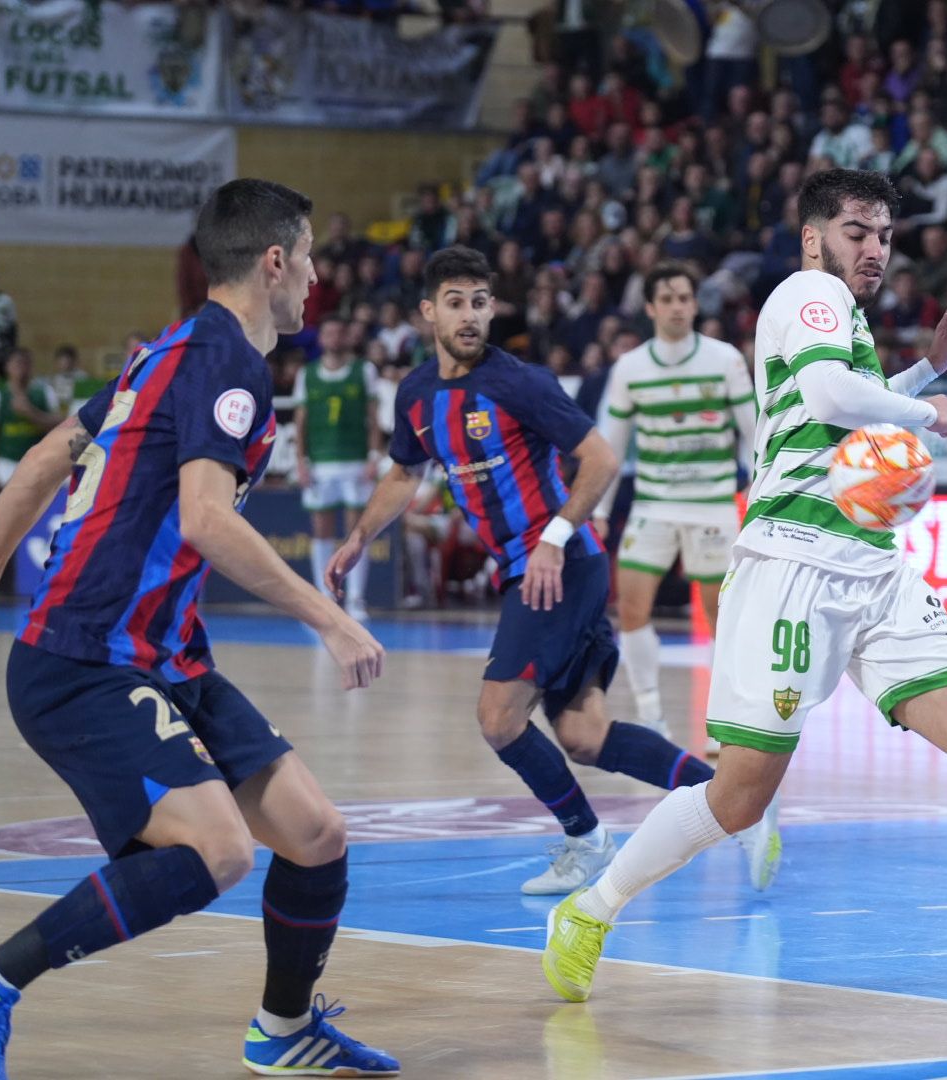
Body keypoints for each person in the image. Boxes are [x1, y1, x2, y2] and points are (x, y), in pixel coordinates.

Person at [541, 168, 947, 1006]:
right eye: (859, 231)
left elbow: (837, 405)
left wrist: (924, 374)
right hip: (795, 568)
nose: (876, 249)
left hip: (876, 566)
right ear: (816, 236)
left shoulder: (841, 314)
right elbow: (827, 392)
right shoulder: (805, 291)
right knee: (741, 796)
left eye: (886, 236)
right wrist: (928, 416)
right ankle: (593, 909)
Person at [0, 179, 397, 1078]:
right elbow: (206, 523)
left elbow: (41, 461)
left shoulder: (166, 354)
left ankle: (283, 1029)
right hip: (83, 659)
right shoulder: (228, 364)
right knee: (215, 851)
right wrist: (331, 619)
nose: (314, 278)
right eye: (306, 259)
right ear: (273, 262)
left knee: (315, 834)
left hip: (162, 655)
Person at [325, 247, 778, 896]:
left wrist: (555, 539)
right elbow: (403, 472)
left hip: (561, 568)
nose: (471, 315)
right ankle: (737, 801)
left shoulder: (519, 382)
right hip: (529, 572)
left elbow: (599, 460)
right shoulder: (417, 395)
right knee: (584, 736)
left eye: (481, 301)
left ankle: (585, 839)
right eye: (456, 302)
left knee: (498, 718)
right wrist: (359, 537)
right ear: (428, 313)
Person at [593, 262, 757, 738]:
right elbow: (612, 445)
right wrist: (600, 512)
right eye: (667, 298)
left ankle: (721, 721)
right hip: (652, 506)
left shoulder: (724, 359)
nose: (677, 306)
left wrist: (754, 490)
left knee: (720, 618)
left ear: (694, 303)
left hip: (712, 506)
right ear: (649, 307)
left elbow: (754, 433)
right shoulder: (630, 367)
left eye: (685, 298)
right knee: (630, 608)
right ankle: (651, 717)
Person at [295, 315, 382, 621]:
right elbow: (301, 421)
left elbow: (373, 417)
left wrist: (374, 456)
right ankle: (324, 596)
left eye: (338, 332)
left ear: (346, 337)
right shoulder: (307, 374)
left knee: (357, 533)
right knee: (321, 531)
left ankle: (356, 598)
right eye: (327, 332)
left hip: (356, 461)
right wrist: (301, 462)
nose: (333, 338)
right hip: (320, 463)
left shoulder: (364, 371)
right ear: (320, 339)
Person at [0, 347, 61, 496]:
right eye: (18, 364)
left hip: (38, 462)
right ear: (7, 367)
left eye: (26, 364)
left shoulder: (45, 393)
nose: (22, 368)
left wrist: (31, 413)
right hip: (7, 463)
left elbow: (58, 426)